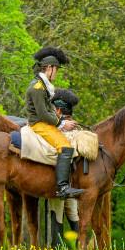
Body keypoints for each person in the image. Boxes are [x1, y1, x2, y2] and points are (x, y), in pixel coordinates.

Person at [25, 47, 84, 199]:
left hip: (44, 122)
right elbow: (43, 114)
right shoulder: (37, 87)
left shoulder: (43, 85)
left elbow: (49, 109)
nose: (56, 73)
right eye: (56, 69)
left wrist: (63, 120)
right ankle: (63, 187)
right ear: (49, 68)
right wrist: (62, 124)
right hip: (39, 124)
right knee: (65, 146)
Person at [49, 88, 81, 248]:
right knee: (73, 213)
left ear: (59, 110)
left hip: (59, 183)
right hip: (74, 184)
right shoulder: (76, 130)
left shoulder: (56, 129)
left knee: (58, 213)